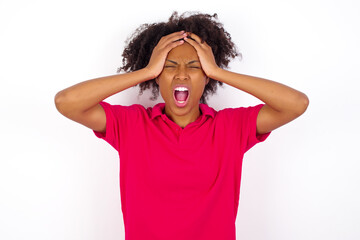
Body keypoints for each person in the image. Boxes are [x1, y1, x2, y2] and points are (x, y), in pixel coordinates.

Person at [55, 12, 309, 240]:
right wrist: (146, 70)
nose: (182, 75)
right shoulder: (131, 125)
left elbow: (296, 104)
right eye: (169, 67)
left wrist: (218, 71)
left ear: (207, 76)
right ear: (157, 76)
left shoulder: (231, 128)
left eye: (195, 67)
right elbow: (67, 102)